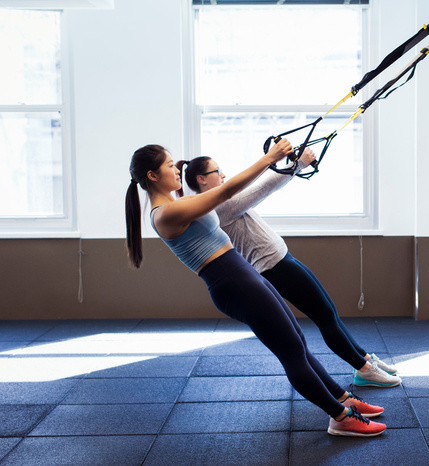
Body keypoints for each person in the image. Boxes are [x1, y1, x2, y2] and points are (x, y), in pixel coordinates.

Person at [125, 142, 385, 437]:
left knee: (297, 341)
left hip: (242, 273)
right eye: (169, 164)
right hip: (231, 281)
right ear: (152, 175)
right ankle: (340, 417)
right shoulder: (165, 214)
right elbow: (225, 192)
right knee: (291, 353)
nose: (176, 168)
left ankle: (341, 398)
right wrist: (270, 159)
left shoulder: (176, 203)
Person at [175, 150, 401, 388]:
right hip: (274, 267)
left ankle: (365, 359)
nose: (224, 175)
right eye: (217, 171)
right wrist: (298, 165)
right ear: (202, 179)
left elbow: (250, 181)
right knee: (324, 316)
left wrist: (287, 163)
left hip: (283, 259)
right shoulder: (219, 207)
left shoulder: (224, 200)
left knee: (329, 312)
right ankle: (364, 370)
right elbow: (264, 188)